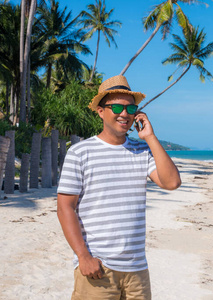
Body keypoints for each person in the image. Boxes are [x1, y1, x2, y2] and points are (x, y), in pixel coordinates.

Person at [57, 75, 181, 299]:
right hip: (97, 268)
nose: (124, 114)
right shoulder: (80, 152)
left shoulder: (142, 151)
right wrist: (83, 256)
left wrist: (150, 137)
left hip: (137, 270)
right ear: (101, 111)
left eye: (130, 108)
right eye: (116, 107)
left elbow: (171, 182)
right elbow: (65, 207)